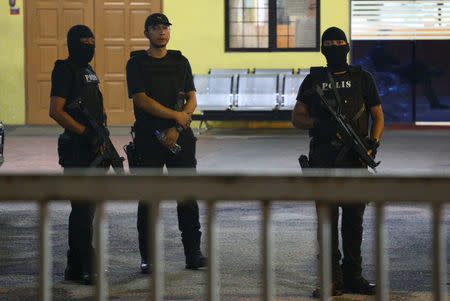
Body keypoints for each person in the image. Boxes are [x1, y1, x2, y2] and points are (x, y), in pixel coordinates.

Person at [292, 27, 384, 297]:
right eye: (328, 43)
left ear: (347, 46)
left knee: (354, 221)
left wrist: (373, 143)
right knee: (327, 221)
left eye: (339, 42)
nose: (334, 46)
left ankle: (353, 277)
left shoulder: (363, 78)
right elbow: (297, 117)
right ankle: (332, 280)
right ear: (322, 49)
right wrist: (319, 124)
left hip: (355, 159)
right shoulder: (313, 80)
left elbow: (377, 116)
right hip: (323, 159)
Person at [125, 13, 207, 273]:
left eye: (165, 28)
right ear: (146, 33)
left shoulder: (180, 61)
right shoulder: (136, 63)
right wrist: (177, 117)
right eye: (156, 28)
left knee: (187, 198)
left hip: (178, 137)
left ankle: (193, 254)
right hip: (148, 138)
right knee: (149, 199)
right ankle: (148, 259)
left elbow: (192, 98)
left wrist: (176, 126)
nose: (162, 32)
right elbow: (141, 100)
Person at [49, 25, 107, 284]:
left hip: (94, 148)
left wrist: (101, 138)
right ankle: (86, 265)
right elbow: (56, 110)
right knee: (82, 209)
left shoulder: (89, 71)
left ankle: (75, 267)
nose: (90, 47)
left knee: (87, 209)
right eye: (85, 42)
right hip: (76, 148)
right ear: (72, 44)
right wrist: (85, 132)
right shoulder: (64, 69)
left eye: (92, 42)